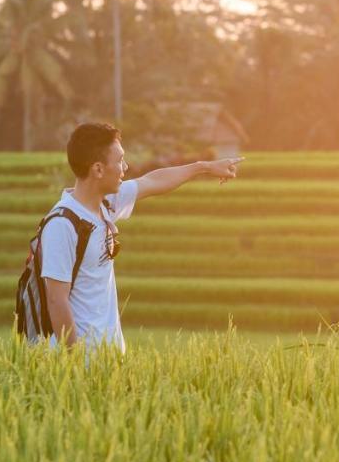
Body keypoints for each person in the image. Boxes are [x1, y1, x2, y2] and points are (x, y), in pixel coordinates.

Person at [42, 122, 242, 350]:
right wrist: (73, 362)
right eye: (119, 160)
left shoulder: (105, 204)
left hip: (108, 361)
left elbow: (153, 181)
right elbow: (56, 300)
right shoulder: (62, 224)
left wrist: (204, 167)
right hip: (82, 363)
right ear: (98, 169)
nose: (125, 166)